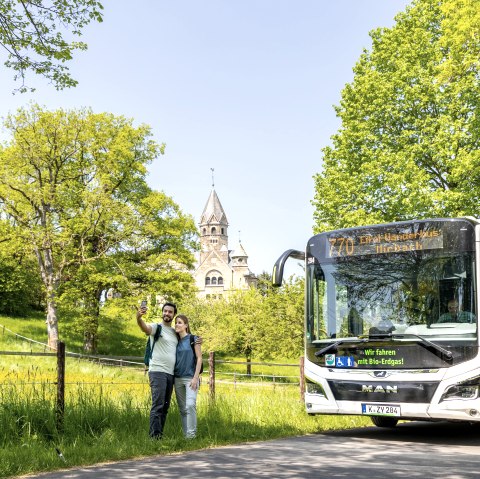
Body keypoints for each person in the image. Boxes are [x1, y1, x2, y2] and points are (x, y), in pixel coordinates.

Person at [136, 301, 178, 439]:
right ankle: (154, 437)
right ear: (162, 312)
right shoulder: (156, 327)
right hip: (157, 371)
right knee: (158, 405)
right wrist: (138, 318)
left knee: (165, 407)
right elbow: (145, 329)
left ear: (173, 315)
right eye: (165, 311)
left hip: (170, 373)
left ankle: (159, 434)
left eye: (170, 312)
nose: (167, 313)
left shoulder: (174, 332)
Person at [174, 314, 202, 439]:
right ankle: (186, 436)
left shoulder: (193, 339)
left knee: (190, 405)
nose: (177, 324)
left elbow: (199, 358)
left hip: (191, 378)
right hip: (177, 378)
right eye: (176, 322)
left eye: (180, 322)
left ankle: (191, 436)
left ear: (186, 325)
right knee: (182, 409)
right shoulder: (175, 341)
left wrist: (196, 377)